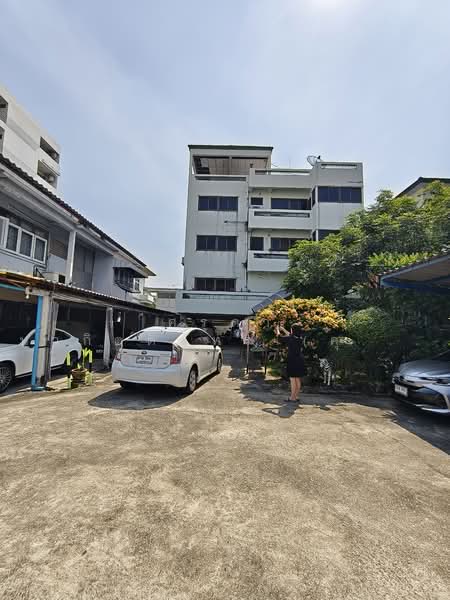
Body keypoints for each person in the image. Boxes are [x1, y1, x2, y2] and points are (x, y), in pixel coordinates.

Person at [275, 322, 307, 403]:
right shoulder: (300, 337)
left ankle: (292, 398)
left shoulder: (291, 338)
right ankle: (296, 396)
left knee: (293, 379)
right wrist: (283, 329)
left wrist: (278, 329)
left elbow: (279, 338)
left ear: (293, 330)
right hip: (300, 360)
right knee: (297, 379)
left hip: (292, 360)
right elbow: (290, 334)